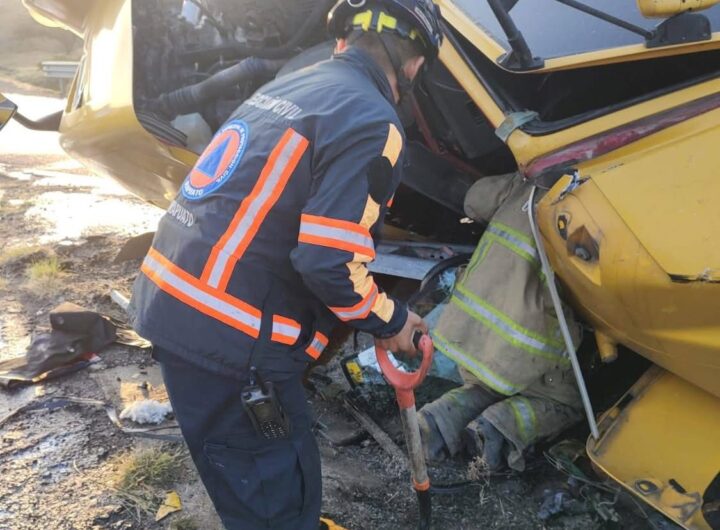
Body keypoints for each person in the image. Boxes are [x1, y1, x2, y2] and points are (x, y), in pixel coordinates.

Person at [128, 1, 443, 529]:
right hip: (230, 339)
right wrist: (390, 319)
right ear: (413, 64)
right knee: (280, 499)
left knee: (238, 475)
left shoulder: (290, 87)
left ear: (342, 39)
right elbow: (328, 259)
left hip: (173, 305)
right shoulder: (373, 120)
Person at [418, 173, 584, 472]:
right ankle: (494, 431)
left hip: (466, 330)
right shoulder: (599, 199)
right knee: (565, 402)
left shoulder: (534, 179)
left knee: (486, 385)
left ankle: (436, 422)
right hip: (521, 342)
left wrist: (520, 183)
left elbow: (475, 199)